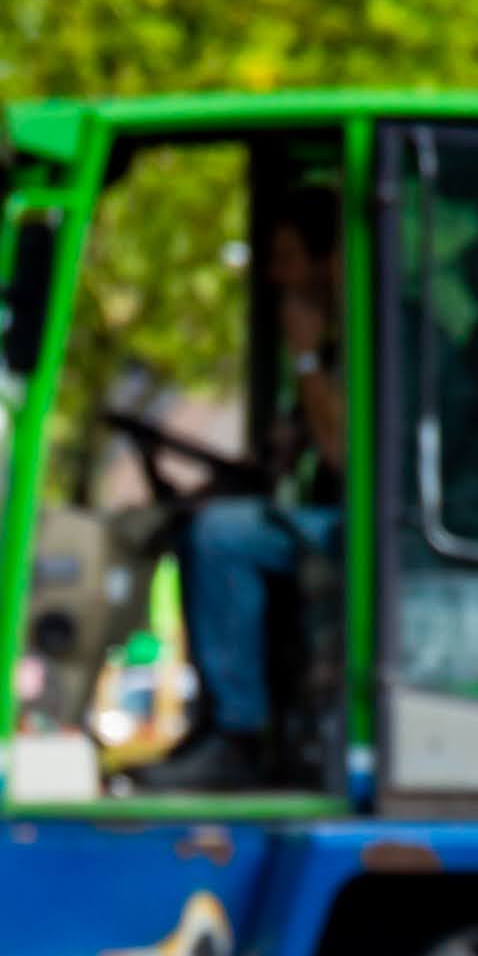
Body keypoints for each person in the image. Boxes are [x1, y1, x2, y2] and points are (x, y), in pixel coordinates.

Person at [157, 203, 349, 793]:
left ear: (331, 262)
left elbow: (346, 454)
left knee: (222, 537)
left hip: (375, 534)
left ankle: (240, 736)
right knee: (198, 526)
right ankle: (216, 721)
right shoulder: (335, 349)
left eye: (287, 258)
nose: (274, 275)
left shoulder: (370, 344)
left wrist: (306, 356)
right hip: (333, 517)